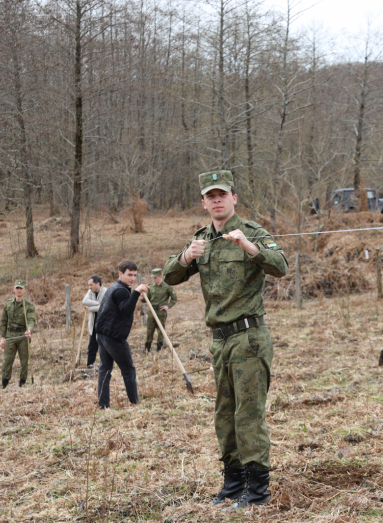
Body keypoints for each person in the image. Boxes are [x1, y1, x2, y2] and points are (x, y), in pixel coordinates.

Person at [163, 170, 288, 511]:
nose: (217, 200)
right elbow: (169, 276)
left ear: (234, 198)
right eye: (210, 196)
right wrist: (187, 256)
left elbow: (280, 265)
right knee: (225, 413)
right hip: (219, 340)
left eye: (222, 194)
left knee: (248, 414)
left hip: (248, 337)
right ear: (204, 203)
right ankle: (233, 484)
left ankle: (257, 490)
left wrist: (248, 247)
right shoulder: (202, 239)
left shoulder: (252, 233)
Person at [94, 260, 148, 409]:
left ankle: (103, 405)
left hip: (102, 334)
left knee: (105, 370)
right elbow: (125, 309)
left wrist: (134, 297)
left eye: (135, 276)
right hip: (114, 337)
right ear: (120, 274)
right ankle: (134, 402)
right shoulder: (121, 290)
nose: (132, 278)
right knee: (128, 369)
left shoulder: (115, 287)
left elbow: (122, 305)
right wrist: (136, 292)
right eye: (129, 275)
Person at [0, 281, 36, 388]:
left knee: (24, 361)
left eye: (21, 288)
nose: (19, 290)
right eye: (17, 288)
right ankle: (4, 383)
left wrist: (29, 330)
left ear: (24, 290)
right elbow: (3, 321)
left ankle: (22, 383)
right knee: (7, 361)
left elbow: (31, 320)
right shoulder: (8, 303)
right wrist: (2, 337)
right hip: (10, 335)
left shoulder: (28, 305)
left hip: (23, 335)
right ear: (14, 289)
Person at [144, 268, 177, 353]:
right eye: (153, 278)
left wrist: (168, 306)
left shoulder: (167, 287)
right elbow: (146, 299)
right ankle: (147, 348)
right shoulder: (150, 287)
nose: (154, 279)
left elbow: (174, 298)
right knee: (149, 330)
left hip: (161, 312)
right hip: (151, 312)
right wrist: (141, 298)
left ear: (160, 276)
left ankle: (159, 348)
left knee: (160, 330)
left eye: (155, 278)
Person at [82, 275, 106, 368]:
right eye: (89, 285)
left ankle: (105, 365)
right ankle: (90, 365)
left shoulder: (106, 292)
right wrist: (98, 304)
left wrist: (91, 308)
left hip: (104, 323)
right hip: (93, 323)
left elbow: (104, 307)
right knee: (92, 345)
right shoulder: (90, 292)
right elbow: (84, 301)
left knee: (104, 345)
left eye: (91, 285)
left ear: (98, 284)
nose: (89, 287)